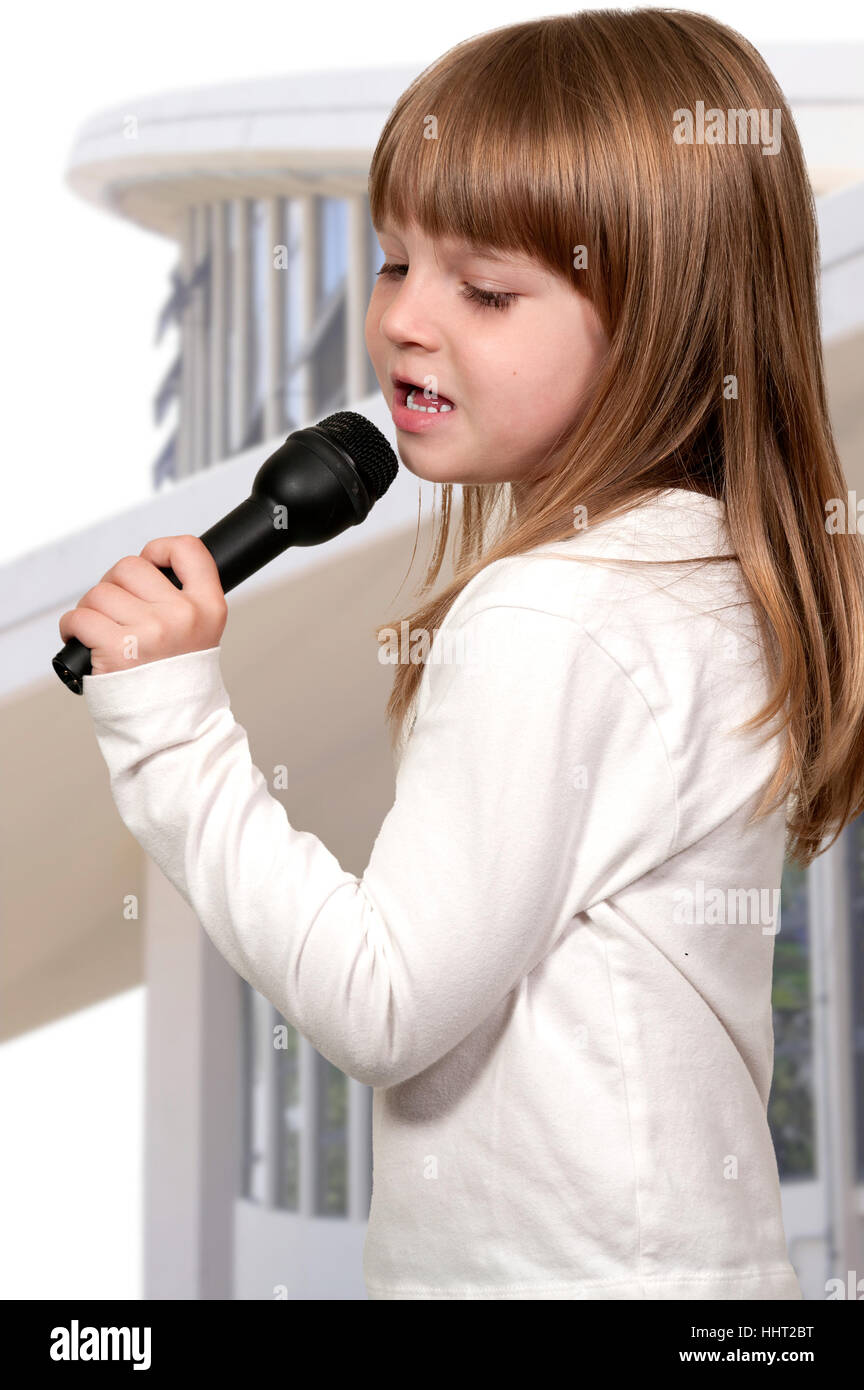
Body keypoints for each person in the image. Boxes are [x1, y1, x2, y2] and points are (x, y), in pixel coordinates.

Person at [62, 11, 864, 1300]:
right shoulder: (699, 571)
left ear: (665, 323)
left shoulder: (557, 615)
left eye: (486, 292)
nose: (405, 323)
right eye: (394, 263)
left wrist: (171, 726)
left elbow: (380, 1002)